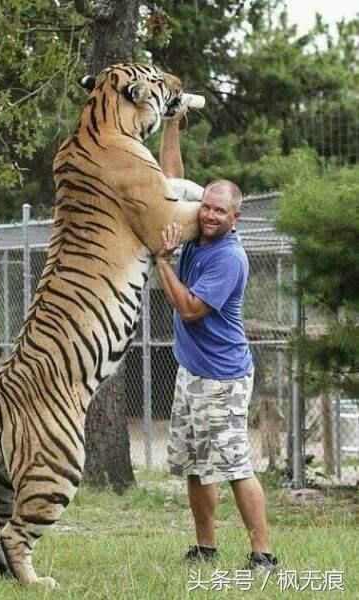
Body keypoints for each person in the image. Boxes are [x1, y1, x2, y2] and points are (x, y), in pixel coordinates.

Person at [155, 107, 278, 572]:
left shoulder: (228, 258)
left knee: (233, 467)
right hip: (192, 374)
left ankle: (263, 554)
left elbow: (189, 309)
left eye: (219, 211)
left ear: (236, 218)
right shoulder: (196, 231)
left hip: (222, 379)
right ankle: (205, 547)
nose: (208, 215)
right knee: (194, 464)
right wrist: (172, 122)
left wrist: (162, 261)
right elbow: (171, 179)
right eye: (205, 206)